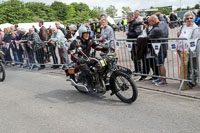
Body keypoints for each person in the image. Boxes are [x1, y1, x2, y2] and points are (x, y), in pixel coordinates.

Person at [69, 25, 108, 90]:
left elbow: (96, 46)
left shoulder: (90, 41)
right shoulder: (75, 42)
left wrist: (103, 48)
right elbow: (72, 54)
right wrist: (78, 59)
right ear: (81, 33)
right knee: (88, 71)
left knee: (102, 64)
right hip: (80, 61)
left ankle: (101, 80)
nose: (87, 35)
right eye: (85, 33)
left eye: (88, 33)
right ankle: (89, 85)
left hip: (88, 58)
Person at [177, 11, 198, 90]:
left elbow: (195, 41)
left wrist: (193, 50)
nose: (189, 20)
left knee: (193, 66)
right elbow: (179, 35)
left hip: (191, 50)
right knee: (185, 66)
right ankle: (186, 80)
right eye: (187, 18)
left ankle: (193, 80)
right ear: (185, 19)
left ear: (193, 18)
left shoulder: (195, 28)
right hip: (181, 49)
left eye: (191, 18)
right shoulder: (182, 26)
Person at [148, 15, 169, 86]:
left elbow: (149, 36)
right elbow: (162, 18)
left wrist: (147, 28)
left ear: (153, 21)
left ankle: (164, 81)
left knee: (160, 64)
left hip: (159, 48)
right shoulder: (163, 23)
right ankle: (161, 78)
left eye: (149, 22)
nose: (149, 24)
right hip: (163, 46)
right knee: (160, 64)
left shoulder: (156, 29)